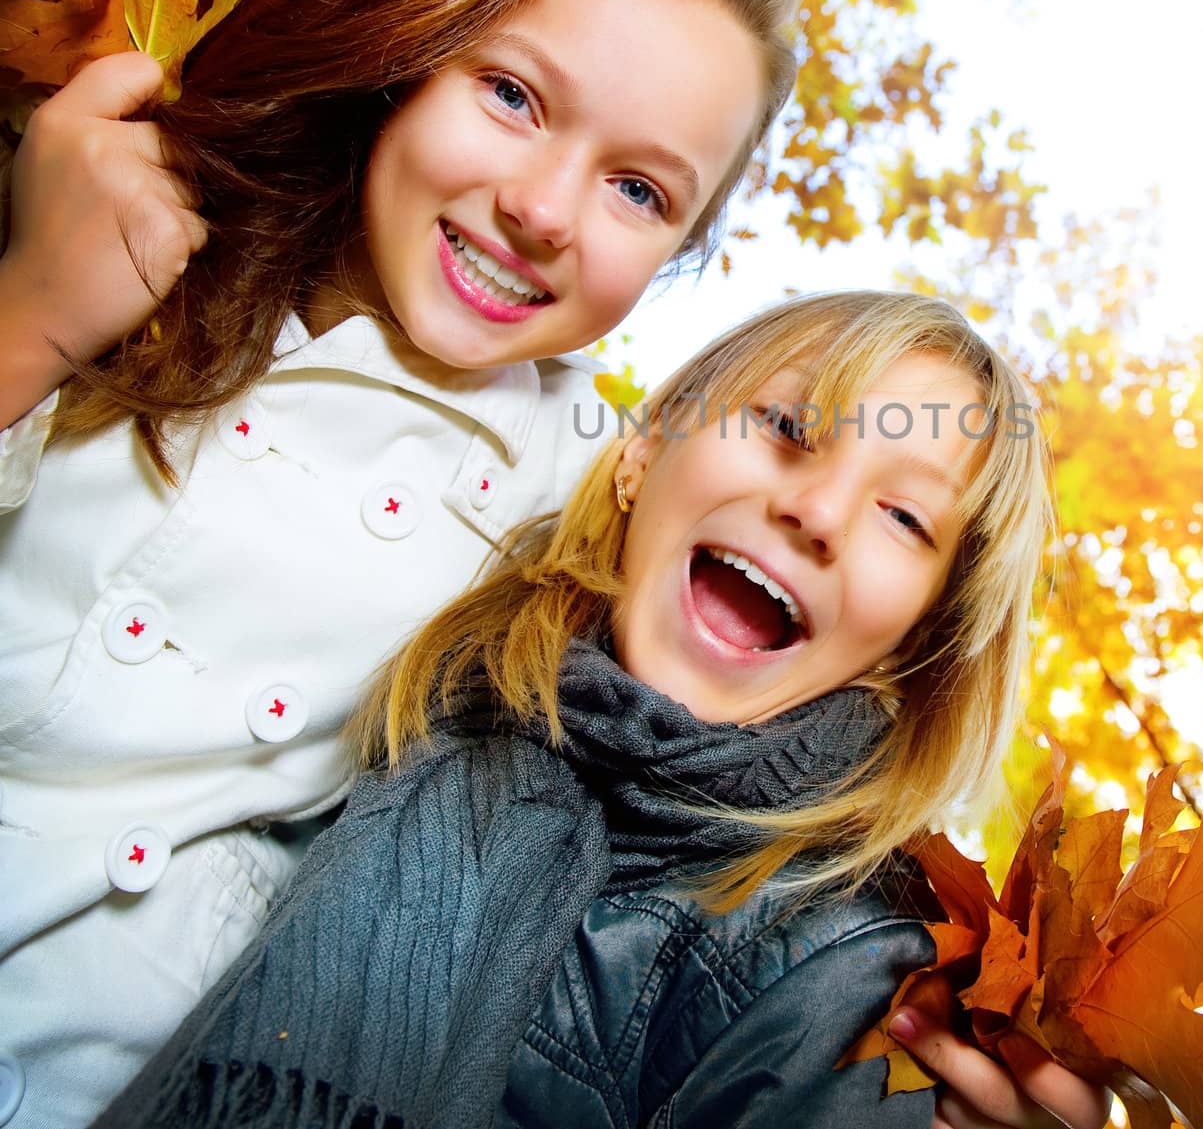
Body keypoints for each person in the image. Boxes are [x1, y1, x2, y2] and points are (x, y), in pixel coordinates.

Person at [0, 0, 801, 1127]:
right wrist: (33, 315)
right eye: (515, 96)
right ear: (412, 48)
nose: (547, 208)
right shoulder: (104, 198)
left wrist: (926, 1028)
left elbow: (770, 723)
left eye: (640, 190)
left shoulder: (579, 483)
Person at [96, 290, 1109, 1129]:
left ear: (912, 648)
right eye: (789, 428)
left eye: (902, 516)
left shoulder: (854, 972)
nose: (817, 511)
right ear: (640, 455)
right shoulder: (417, 698)